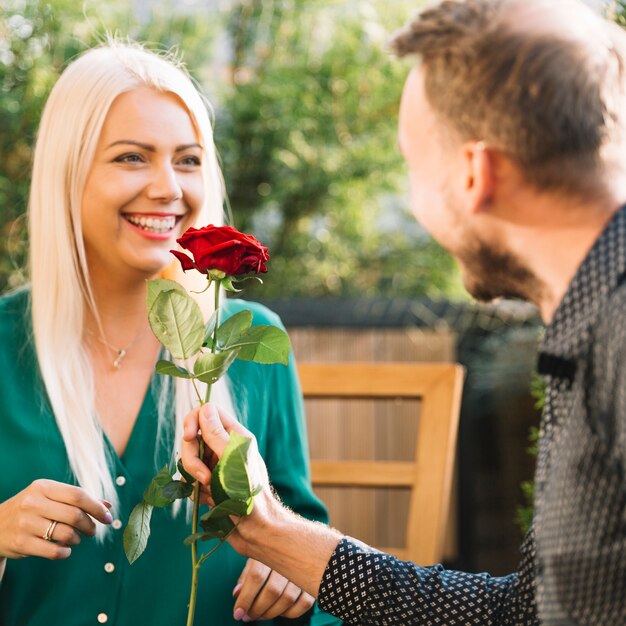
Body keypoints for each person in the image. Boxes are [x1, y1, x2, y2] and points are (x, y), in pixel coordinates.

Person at [180, 0, 626, 624]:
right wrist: (269, 528)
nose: (415, 203)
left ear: (474, 175)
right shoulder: (591, 323)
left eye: (414, 166)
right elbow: (525, 613)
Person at [0, 41, 342, 626]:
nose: (168, 187)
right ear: (68, 173)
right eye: (132, 158)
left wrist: (291, 571)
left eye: (187, 160)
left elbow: (305, 545)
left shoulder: (252, 344)